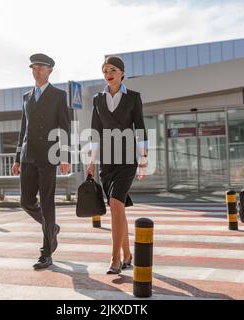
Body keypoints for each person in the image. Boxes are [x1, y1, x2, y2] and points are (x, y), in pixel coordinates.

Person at [86, 56, 148, 274]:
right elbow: (95, 132)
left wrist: (144, 158)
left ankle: (115, 259)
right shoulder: (97, 99)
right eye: (104, 70)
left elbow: (140, 128)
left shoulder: (133, 97)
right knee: (116, 208)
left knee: (115, 202)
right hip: (107, 161)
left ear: (122, 72)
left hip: (127, 160)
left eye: (112, 69)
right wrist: (91, 162)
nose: (108, 73)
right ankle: (128, 254)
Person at [12, 53, 71, 270]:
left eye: (41, 68)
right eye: (33, 68)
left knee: (47, 204)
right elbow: (23, 129)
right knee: (26, 201)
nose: (36, 71)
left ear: (50, 71)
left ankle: (46, 252)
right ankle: (52, 228)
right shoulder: (27, 96)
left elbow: (64, 127)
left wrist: (64, 156)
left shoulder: (58, 95)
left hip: (48, 156)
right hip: (28, 156)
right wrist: (17, 158)